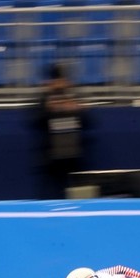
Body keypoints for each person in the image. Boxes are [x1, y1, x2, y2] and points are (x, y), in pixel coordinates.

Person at [35, 63, 88, 199]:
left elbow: (90, 122)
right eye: (57, 80)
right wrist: (48, 108)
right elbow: (34, 121)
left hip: (73, 158)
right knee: (48, 198)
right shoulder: (44, 99)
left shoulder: (74, 97)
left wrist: (77, 109)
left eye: (63, 80)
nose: (60, 84)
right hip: (51, 159)